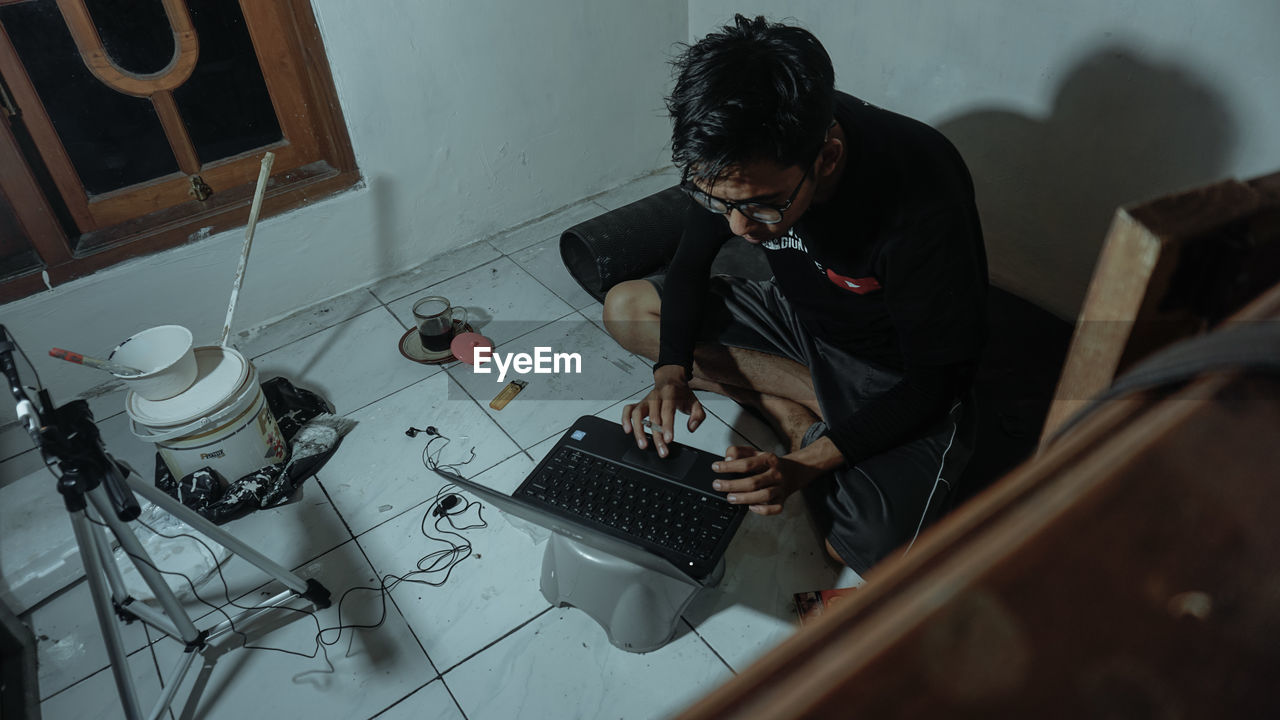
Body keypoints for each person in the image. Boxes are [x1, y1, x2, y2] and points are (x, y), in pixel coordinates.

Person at [601, 15, 988, 576]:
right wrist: (671, 375)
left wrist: (802, 465)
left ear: (826, 158)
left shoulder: (923, 194)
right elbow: (689, 266)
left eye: (763, 206)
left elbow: (940, 378)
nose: (738, 228)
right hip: (796, 319)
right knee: (629, 311)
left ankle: (813, 418)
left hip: (889, 368)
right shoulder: (739, 140)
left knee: (865, 547)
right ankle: (791, 407)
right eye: (718, 201)